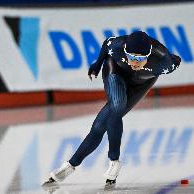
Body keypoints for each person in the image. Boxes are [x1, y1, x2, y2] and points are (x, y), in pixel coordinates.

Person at [42, 31, 181, 188]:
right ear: (125, 51)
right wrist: (97, 63)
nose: (134, 62)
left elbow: (177, 60)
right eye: (131, 56)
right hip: (115, 71)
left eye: (140, 59)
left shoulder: (165, 61)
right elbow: (107, 42)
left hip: (141, 84)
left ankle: (69, 166)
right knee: (117, 104)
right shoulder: (118, 46)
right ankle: (114, 160)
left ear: (148, 55)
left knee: (100, 126)